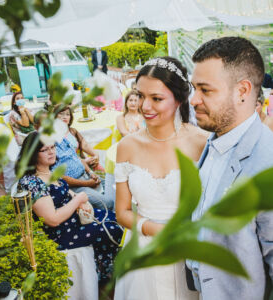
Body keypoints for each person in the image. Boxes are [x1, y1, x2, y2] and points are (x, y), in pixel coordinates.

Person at [114, 57, 208, 300]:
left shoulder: (202, 142)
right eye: (140, 95)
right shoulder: (126, 146)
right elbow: (122, 211)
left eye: (156, 98)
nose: (145, 106)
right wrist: (156, 230)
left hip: (189, 252)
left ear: (179, 99)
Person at [188, 36, 273, 300]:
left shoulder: (266, 163)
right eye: (193, 88)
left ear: (243, 91)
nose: (193, 100)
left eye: (206, 90)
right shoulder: (214, 141)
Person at [16, 131, 122, 284]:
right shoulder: (32, 182)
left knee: (113, 217)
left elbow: (66, 191)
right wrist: (78, 199)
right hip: (61, 233)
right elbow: (52, 219)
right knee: (112, 229)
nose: (51, 152)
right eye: (45, 150)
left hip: (72, 220)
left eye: (52, 147)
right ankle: (104, 273)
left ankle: (103, 267)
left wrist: (79, 202)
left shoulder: (48, 171)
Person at [53, 105, 114, 210]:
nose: (64, 117)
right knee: (108, 202)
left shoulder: (71, 132)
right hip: (75, 183)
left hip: (84, 170)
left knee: (113, 185)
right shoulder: (51, 143)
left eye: (67, 114)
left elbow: (82, 148)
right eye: (61, 114)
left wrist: (93, 161)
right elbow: (58, 176)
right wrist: (87, 182)